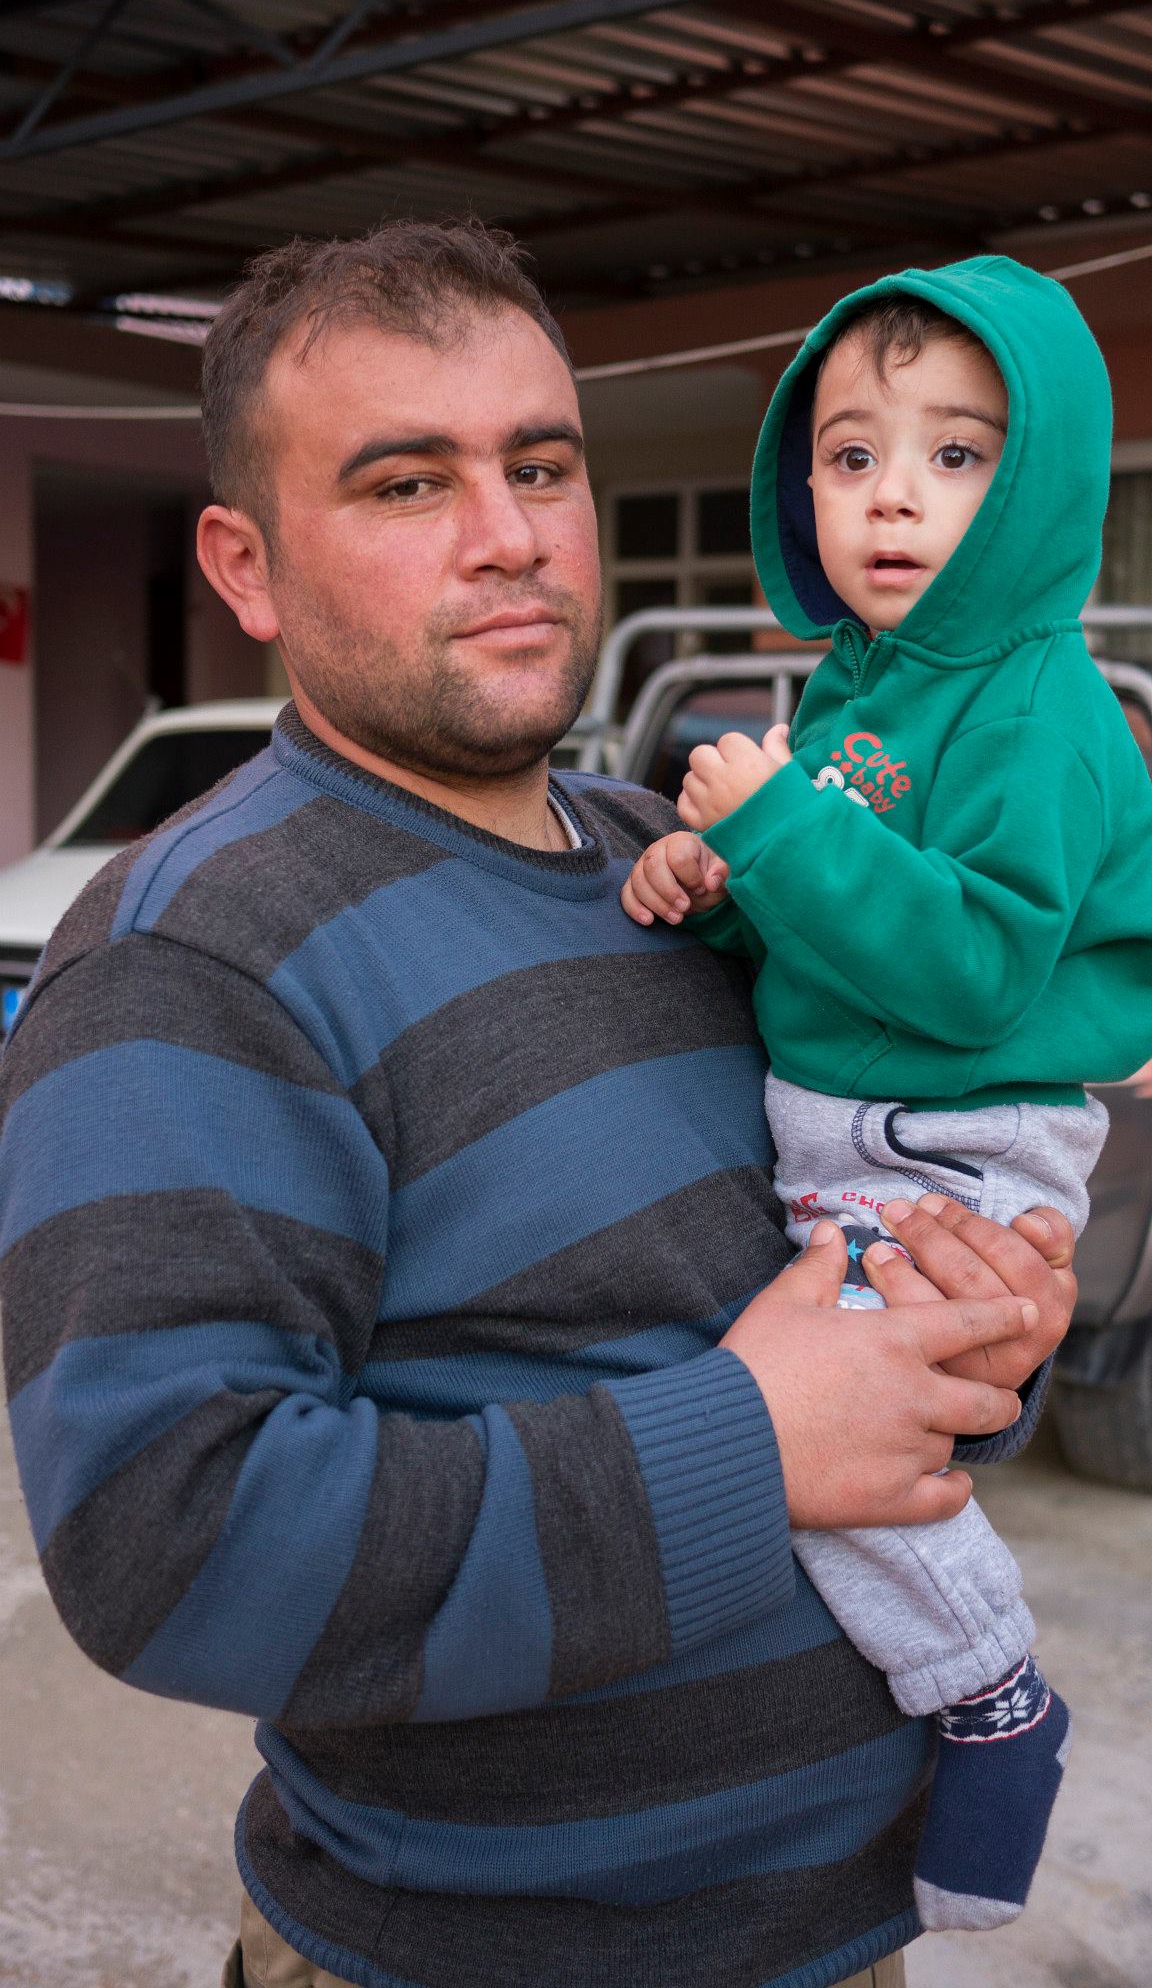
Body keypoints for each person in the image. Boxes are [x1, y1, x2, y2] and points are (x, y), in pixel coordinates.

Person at [0, 224, 1079, 1988]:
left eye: (543, 466)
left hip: (841, 1934)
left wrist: (972, 1339)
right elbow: (165, 1543)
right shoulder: (195, 952)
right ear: (247, 567)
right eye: (408, 482)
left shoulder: (690, 864)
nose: (509, 535)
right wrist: (753, 1441)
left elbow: (837, 1295)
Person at [622, 255, 1152, 1933]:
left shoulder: (1043, 710)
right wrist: (722, 883)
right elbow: (841, 926)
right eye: (850, 455)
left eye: (957, 454)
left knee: (833, 1438)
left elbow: (974, 965)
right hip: (857, 1134)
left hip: (956, 1145)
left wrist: (779, 825)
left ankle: (992, 1689)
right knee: (787, 1415)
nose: (893, 497)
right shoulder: (860, 686)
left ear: (1042, 480)